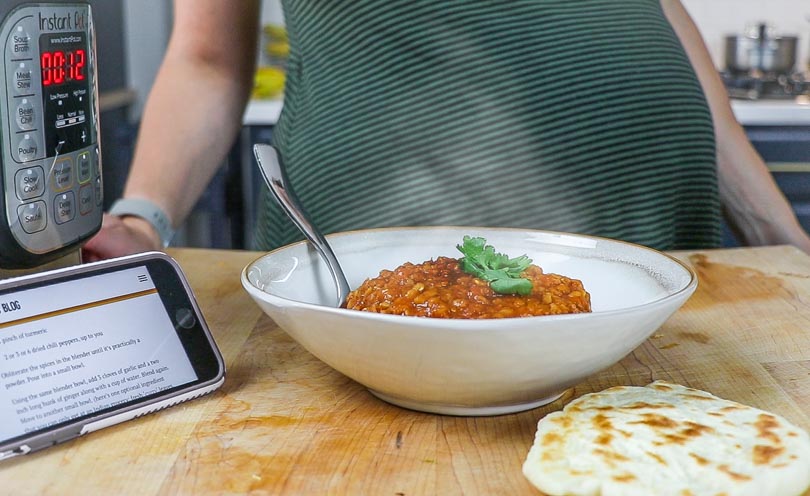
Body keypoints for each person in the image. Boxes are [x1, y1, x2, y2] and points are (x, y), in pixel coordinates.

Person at [82, 0, 810, 262]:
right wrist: (145, 215)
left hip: (664, 238)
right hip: (387, 263)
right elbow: (209, 55)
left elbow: (655, 15)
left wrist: (783, 239)